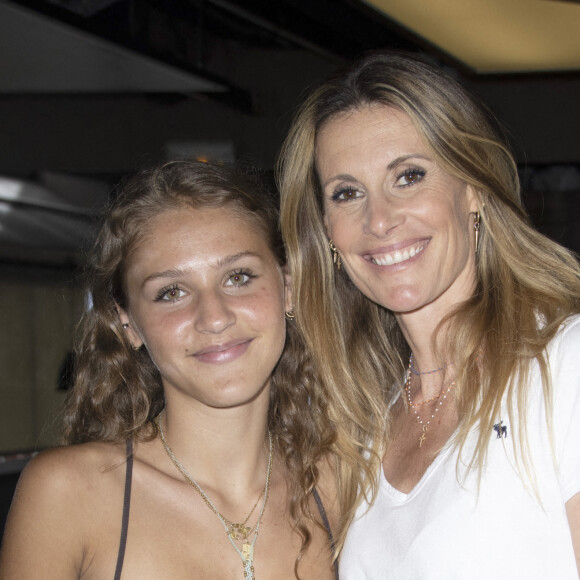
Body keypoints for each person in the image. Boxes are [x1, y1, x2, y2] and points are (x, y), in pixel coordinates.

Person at [278, 51, 580, 578]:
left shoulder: (563, 365)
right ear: (326, 231)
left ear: (474, 190)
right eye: (347, 193)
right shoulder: (363, 423)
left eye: (409, 176)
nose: (379, 220)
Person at [0, 160, 339, 579]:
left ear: (288, 289)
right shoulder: (70, 495)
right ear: (127, 323)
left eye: (239, 276)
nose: (213, 317)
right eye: (171, 292)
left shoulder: (338, 485)